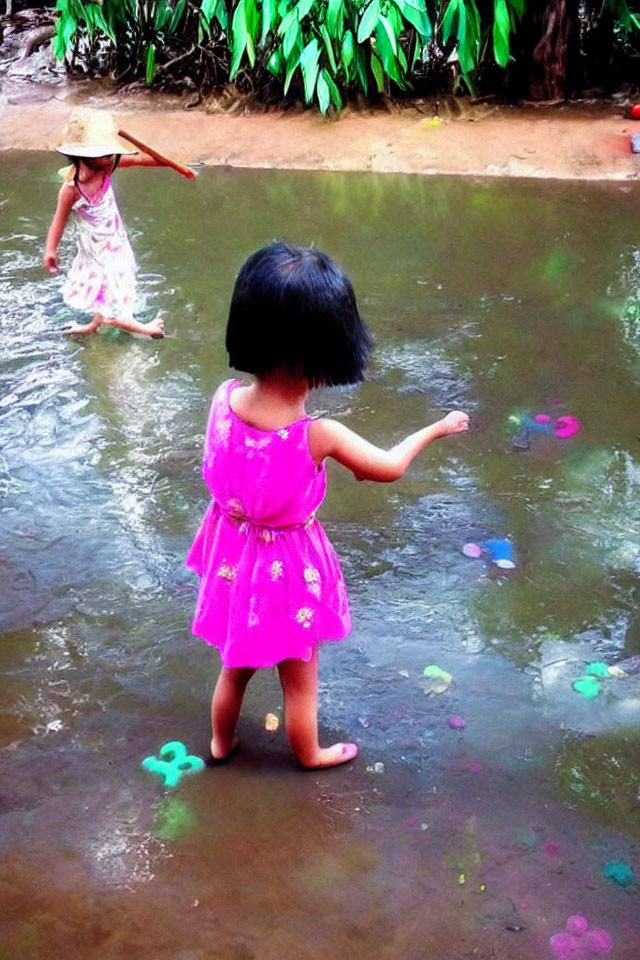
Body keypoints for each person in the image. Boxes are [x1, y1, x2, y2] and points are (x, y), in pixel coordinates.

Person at [186, 242, 469, 769]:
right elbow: (387, 468)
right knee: (300, 680)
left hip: (233, 558)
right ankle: (309, 754)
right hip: (287, 569)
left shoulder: (222, 400)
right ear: (325, 354)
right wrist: (436, 428)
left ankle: (221, 744)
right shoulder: (317, 435)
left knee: (235, 666)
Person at [44, 110, 178, 337]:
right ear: (83, 157)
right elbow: (59, 220)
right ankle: (139, 327)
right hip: (96, 247)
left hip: (115, 239)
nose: (110, 159)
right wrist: (50, 250)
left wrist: (168, 163)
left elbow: (138, 159)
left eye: (110, 154)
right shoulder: (71, 189)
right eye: (104, 155)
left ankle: (90, 327)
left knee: (106, 286)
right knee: (111, 285)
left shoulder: (109, 165)